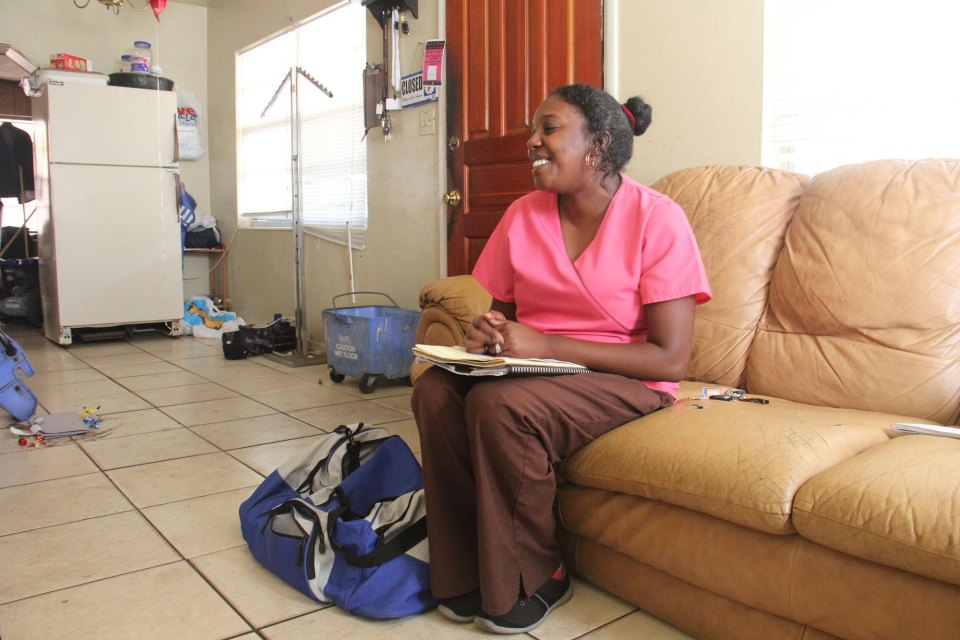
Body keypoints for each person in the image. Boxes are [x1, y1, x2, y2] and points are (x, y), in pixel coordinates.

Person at [411, 83, 712, 635]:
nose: (531, 141)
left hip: (625, 378)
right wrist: (486, 337)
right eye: (534, 130)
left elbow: (669, 359)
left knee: (502, 406)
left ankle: (535, 576)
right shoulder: (523, 214)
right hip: (536, 372)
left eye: (548, 129)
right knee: (434, 389)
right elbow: (502, 317)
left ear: (597, 146)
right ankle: (460, 576)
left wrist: (545, 345)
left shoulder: (658, 220)